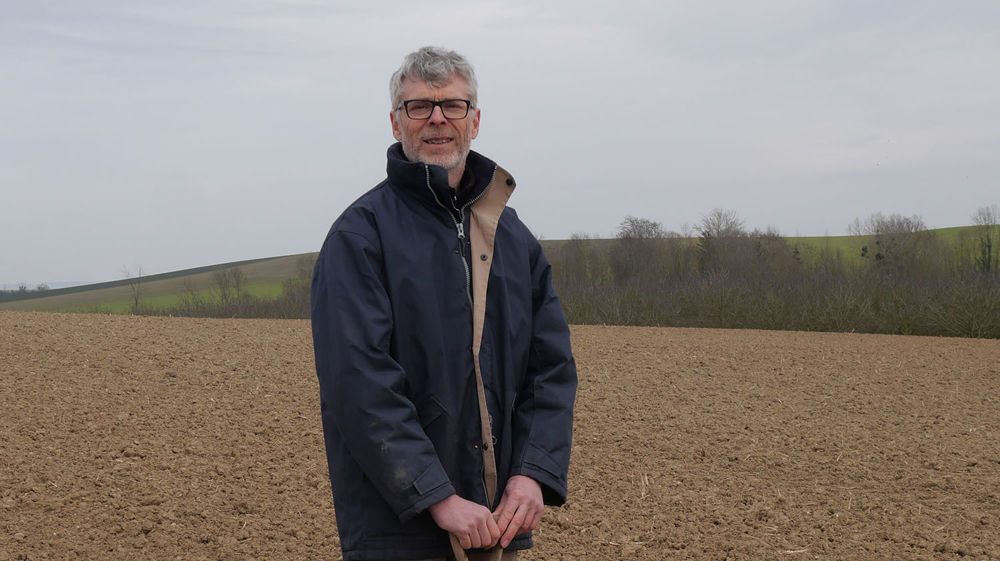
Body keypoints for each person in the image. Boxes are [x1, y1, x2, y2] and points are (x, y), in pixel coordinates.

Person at [311, 46, 577, 561]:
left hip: (498, 527)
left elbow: (551, 368)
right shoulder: (360, 237)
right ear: (396, 123)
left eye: (453, 105)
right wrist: (436, 496)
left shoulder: (513, 238)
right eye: (419, 107)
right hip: (400, 534)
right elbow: (359, 383)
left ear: (474, 120)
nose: (437, 119)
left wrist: (532, 474)